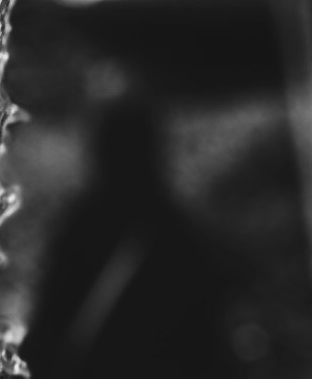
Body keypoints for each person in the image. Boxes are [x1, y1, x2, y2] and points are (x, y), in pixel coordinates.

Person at [19, 89, 230, 379]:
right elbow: (207, 339)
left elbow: (52, 319)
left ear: (101, 151)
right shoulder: (179, 233)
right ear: (155, 150)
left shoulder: (85, 226)